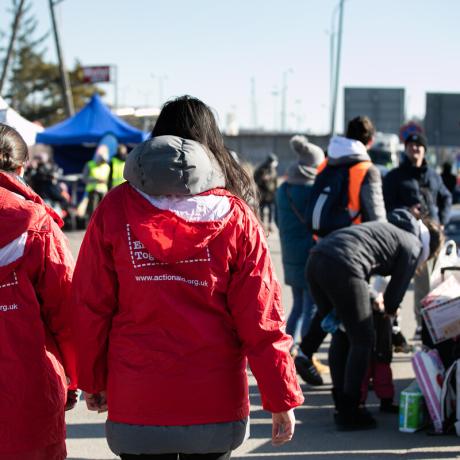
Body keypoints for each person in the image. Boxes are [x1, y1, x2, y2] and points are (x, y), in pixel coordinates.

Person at [71, 96, 304, 459]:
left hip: (136, 402)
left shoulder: (115, 208)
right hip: (215, 403)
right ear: (210, 145)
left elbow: (89, 306)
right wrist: (280, 397)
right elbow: (261, 318)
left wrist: (93, 379)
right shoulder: (235, 215)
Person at [305, 209, 442, 430]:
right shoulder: (413, 245)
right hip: (344, 266)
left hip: (316, 259)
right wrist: (388, 311)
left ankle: (342, 404)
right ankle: (350, 411)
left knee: (341, 332)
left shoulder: (393, 229)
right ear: (429, 249)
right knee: (363, 340)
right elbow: (394, 294)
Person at [0, 124, 77, 459]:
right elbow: (67, 312)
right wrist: (75, 378)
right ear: (22, 168)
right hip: (27, 381)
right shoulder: (38, 225)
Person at [295, 115, 386, 386]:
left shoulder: (327, 163)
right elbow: (379, 221)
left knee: (332, 310)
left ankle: (306, 352)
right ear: (369, 141)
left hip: (320, 246)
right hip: (353, 252)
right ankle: (348, 393)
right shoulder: (366, 170)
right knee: (351, 328)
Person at [383, 132, 452, 338]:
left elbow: (446, 197)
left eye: (418, 146)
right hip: (404, 238)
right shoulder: (395, 176)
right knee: (399, 281)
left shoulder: (433, 175)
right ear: (405, 149)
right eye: (411, 146)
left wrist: (441, 221)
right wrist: (406, 211)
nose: (415, 149)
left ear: (424, 150)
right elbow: (385, 204)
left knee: (427, 284)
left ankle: (423, 325)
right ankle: (393, 326)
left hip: (431, 239)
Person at [275, 135, 324, 344]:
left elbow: (277, 220)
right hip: (310, 254)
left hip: (289, 253)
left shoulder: (282, 189)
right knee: (310, 306)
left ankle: (288, 348)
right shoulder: (313, 190)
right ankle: (305, 353)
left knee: (297, 304)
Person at [81, 143, 111, 218]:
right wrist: (96, 180)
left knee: (104, 212)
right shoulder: (90, 164)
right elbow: (84, 178)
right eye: (101, 160)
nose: (102, 162)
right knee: (93, 212)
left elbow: (109, 180)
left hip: (103, 192)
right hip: (93, 191)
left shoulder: (107, 167)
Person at [254, 153, 278, 231]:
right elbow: (256, 178)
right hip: (263, 192)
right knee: (262, 209)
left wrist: (275, 189)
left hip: (271, 193)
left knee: (271, 209)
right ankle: (262, 225)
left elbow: (274, 180)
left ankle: (270, 225)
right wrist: (262, 180)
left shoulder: (272, 168)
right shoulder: (261, 168)